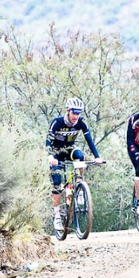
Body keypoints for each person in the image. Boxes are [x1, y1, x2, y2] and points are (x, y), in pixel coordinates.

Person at [46, 97, 104, 231]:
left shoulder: (81, 122)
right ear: (68, 111)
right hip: (56, 153)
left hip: (69, 150)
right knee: (57, 182)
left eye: (78, 113)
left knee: (80, 156)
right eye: (74, 113)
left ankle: (79, 186)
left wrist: (97, 157)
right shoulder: (57, 122)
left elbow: (89, 140)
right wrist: (50, 157)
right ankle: (57, 216)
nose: (76, 116)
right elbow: (48, 142)